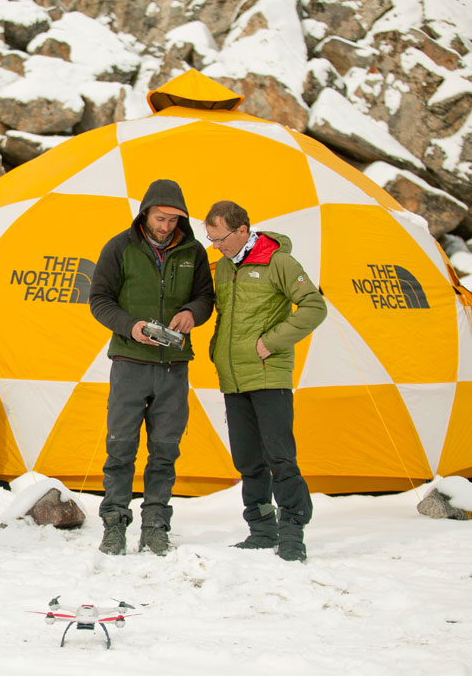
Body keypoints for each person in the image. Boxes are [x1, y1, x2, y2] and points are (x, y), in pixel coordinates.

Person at [88, 179, 215, 556]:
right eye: (160, 218)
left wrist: (193, 313)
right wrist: (132, 327)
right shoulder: (119, 247)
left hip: (174, 366)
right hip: (129, 363)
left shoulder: (194, 251)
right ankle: (114, 524)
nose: (166, 226)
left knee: (165, 450)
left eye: (174, 219)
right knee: (120, 447)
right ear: (145, 213)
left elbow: (206, 297)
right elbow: (98, 300)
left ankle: (156, 525)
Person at [204, 200, 327, 562]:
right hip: (233, 377)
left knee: (280, 457)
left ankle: (292, 532)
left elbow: (314, 307)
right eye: (211, 239)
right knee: (247, 459)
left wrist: (270, 343)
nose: (217, 246)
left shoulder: (279, 262)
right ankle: (261, 529)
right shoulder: (224, 269)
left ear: (243, 230)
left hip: (268, 375)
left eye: (221, 238)